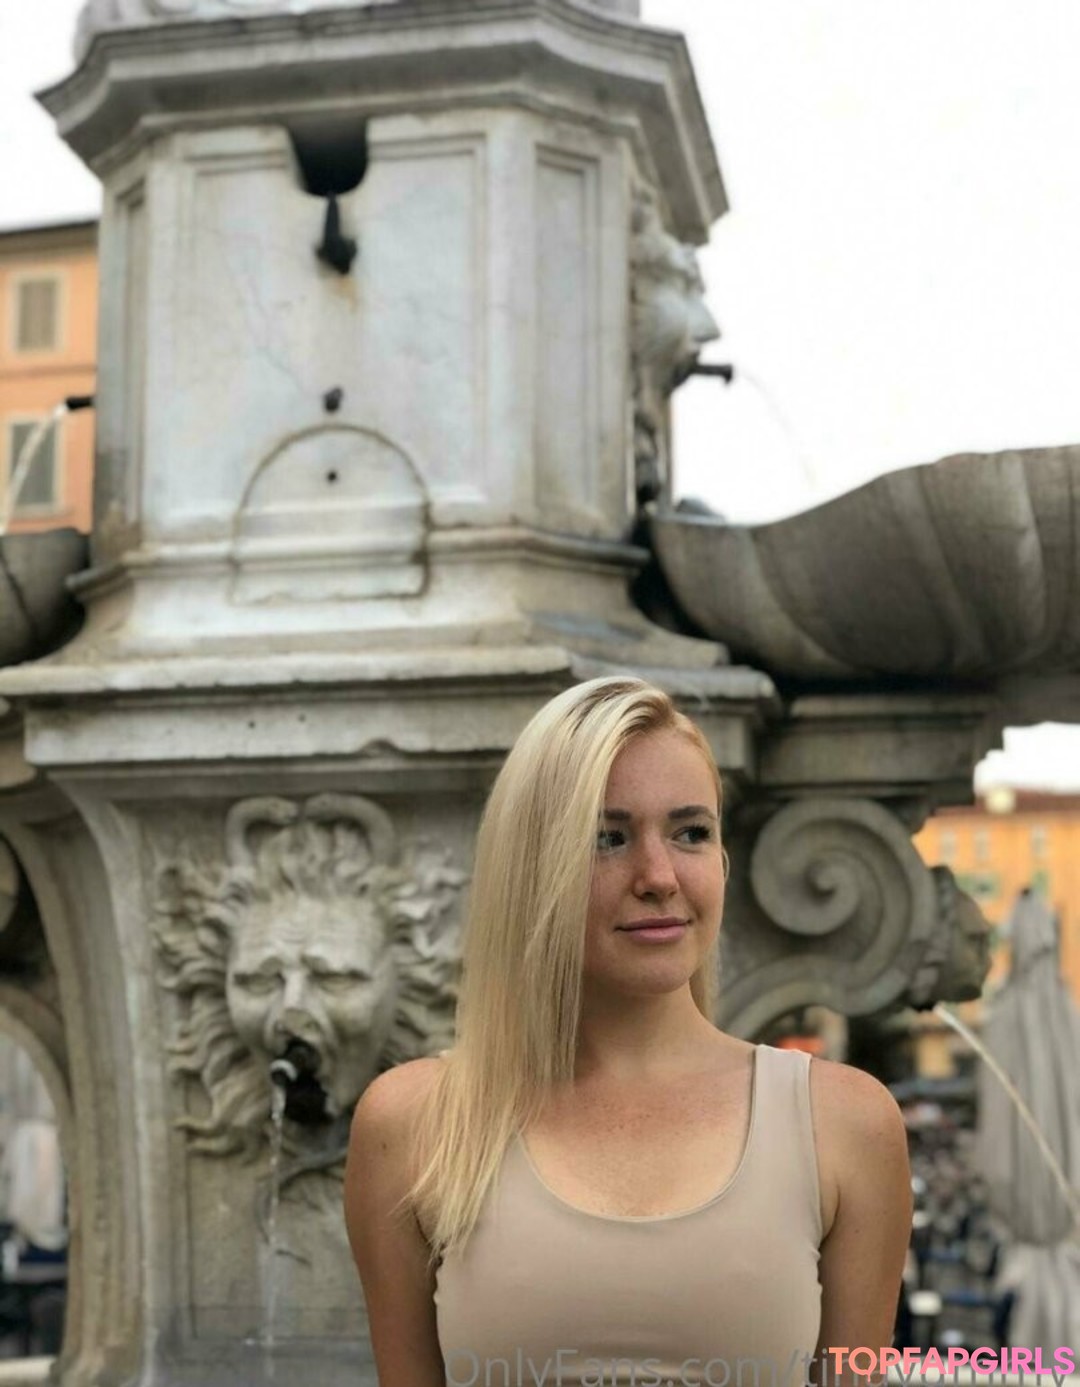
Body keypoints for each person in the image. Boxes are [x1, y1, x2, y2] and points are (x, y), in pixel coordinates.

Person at [344, 676, 912, 1387]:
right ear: (531, 869)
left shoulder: (845, 1124)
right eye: (608, 838)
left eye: (691, 832)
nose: (659, 875)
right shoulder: (414, 1125)